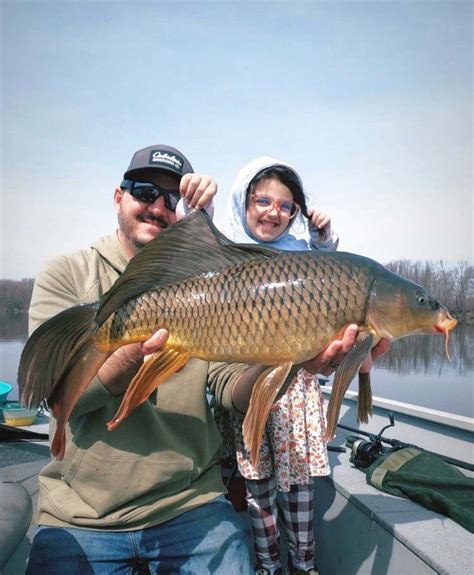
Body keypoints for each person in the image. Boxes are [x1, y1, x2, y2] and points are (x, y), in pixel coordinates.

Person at [25, 144, 384, 575]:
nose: (158, 207)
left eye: (172, 199)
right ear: (118, 196)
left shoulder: (213, 288)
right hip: (81, 513)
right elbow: (60, 402)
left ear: (186, 212)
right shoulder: (68, 272)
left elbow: (232, 391)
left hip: (190, 503)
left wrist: (293, 360)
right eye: (143, 191)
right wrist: (135, 351)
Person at [221, 156, 361, 575]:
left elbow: (332, 277)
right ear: (243, 202)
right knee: (258, 496)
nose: (273, 213)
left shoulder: (303, 254)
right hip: (250, 392)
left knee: (299, 496)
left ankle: (303, 566)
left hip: (296, 402)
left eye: (286, 206)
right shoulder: (227, 252)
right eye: (263, 200)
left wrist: (322, 238)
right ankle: (267, 567)